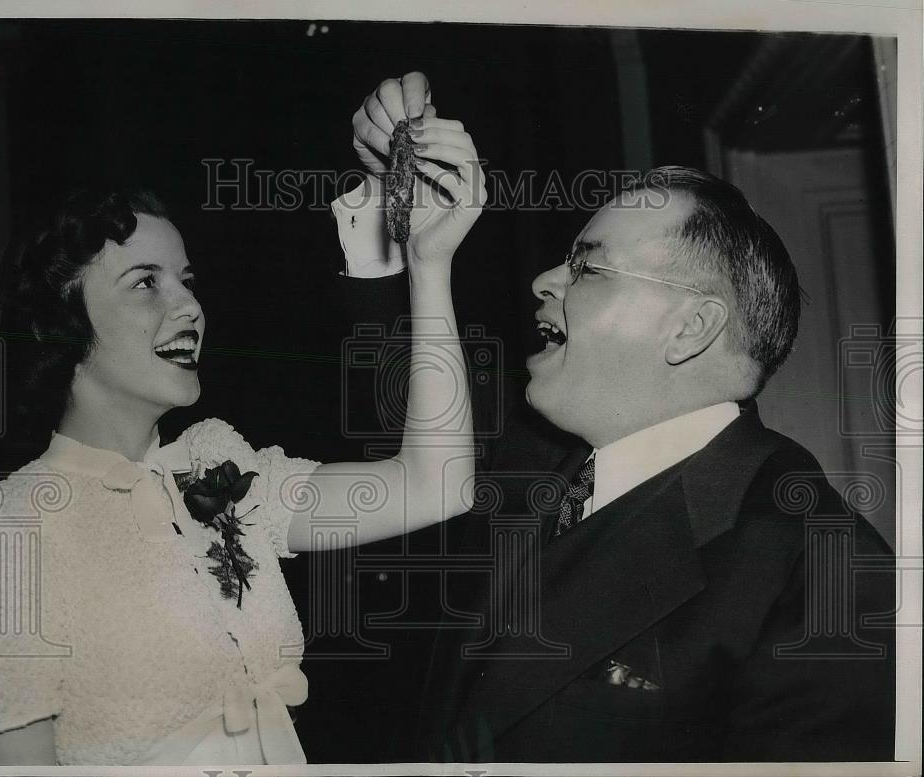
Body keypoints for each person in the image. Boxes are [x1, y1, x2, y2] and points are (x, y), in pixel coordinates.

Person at [343, 81, 896, 763]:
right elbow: (396, 421)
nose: (545, 279)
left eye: (588, 266)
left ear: (689, 327)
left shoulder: (828, 571)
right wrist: (390, 206)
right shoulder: (526, 459)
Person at [0, 74, 485, 766]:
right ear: (60, 325)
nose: (188, 307)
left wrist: (429, 263)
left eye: (187, 279)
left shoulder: (217, 462)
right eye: (147, 282)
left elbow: (438, 483)